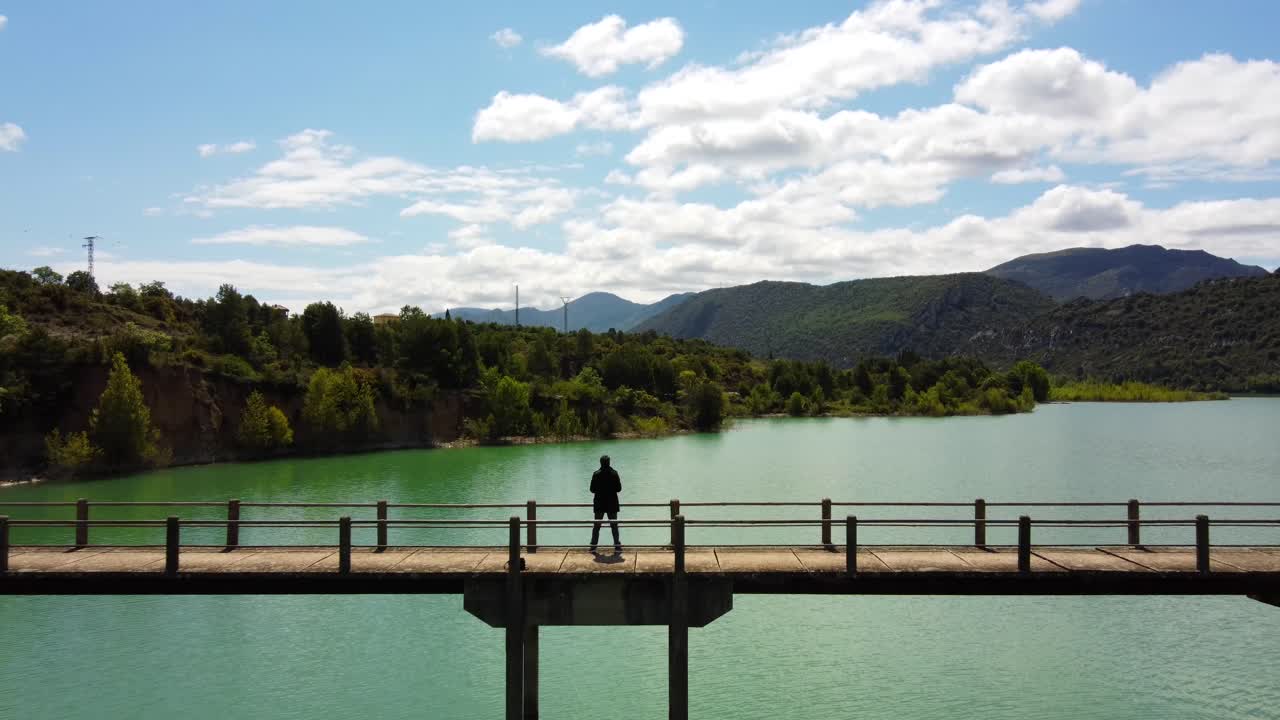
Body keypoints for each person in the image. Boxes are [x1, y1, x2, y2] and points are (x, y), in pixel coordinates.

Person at [589, 454, 622, 554]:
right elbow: (619, 489)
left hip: (599, 503)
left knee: (597, 526)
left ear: (600, 463)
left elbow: (592, 489)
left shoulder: (596, 474)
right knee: (614, 526)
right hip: (612, 503)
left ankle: (593, 546)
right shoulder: (614, 473)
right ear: (609, 462)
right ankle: (617, 545)